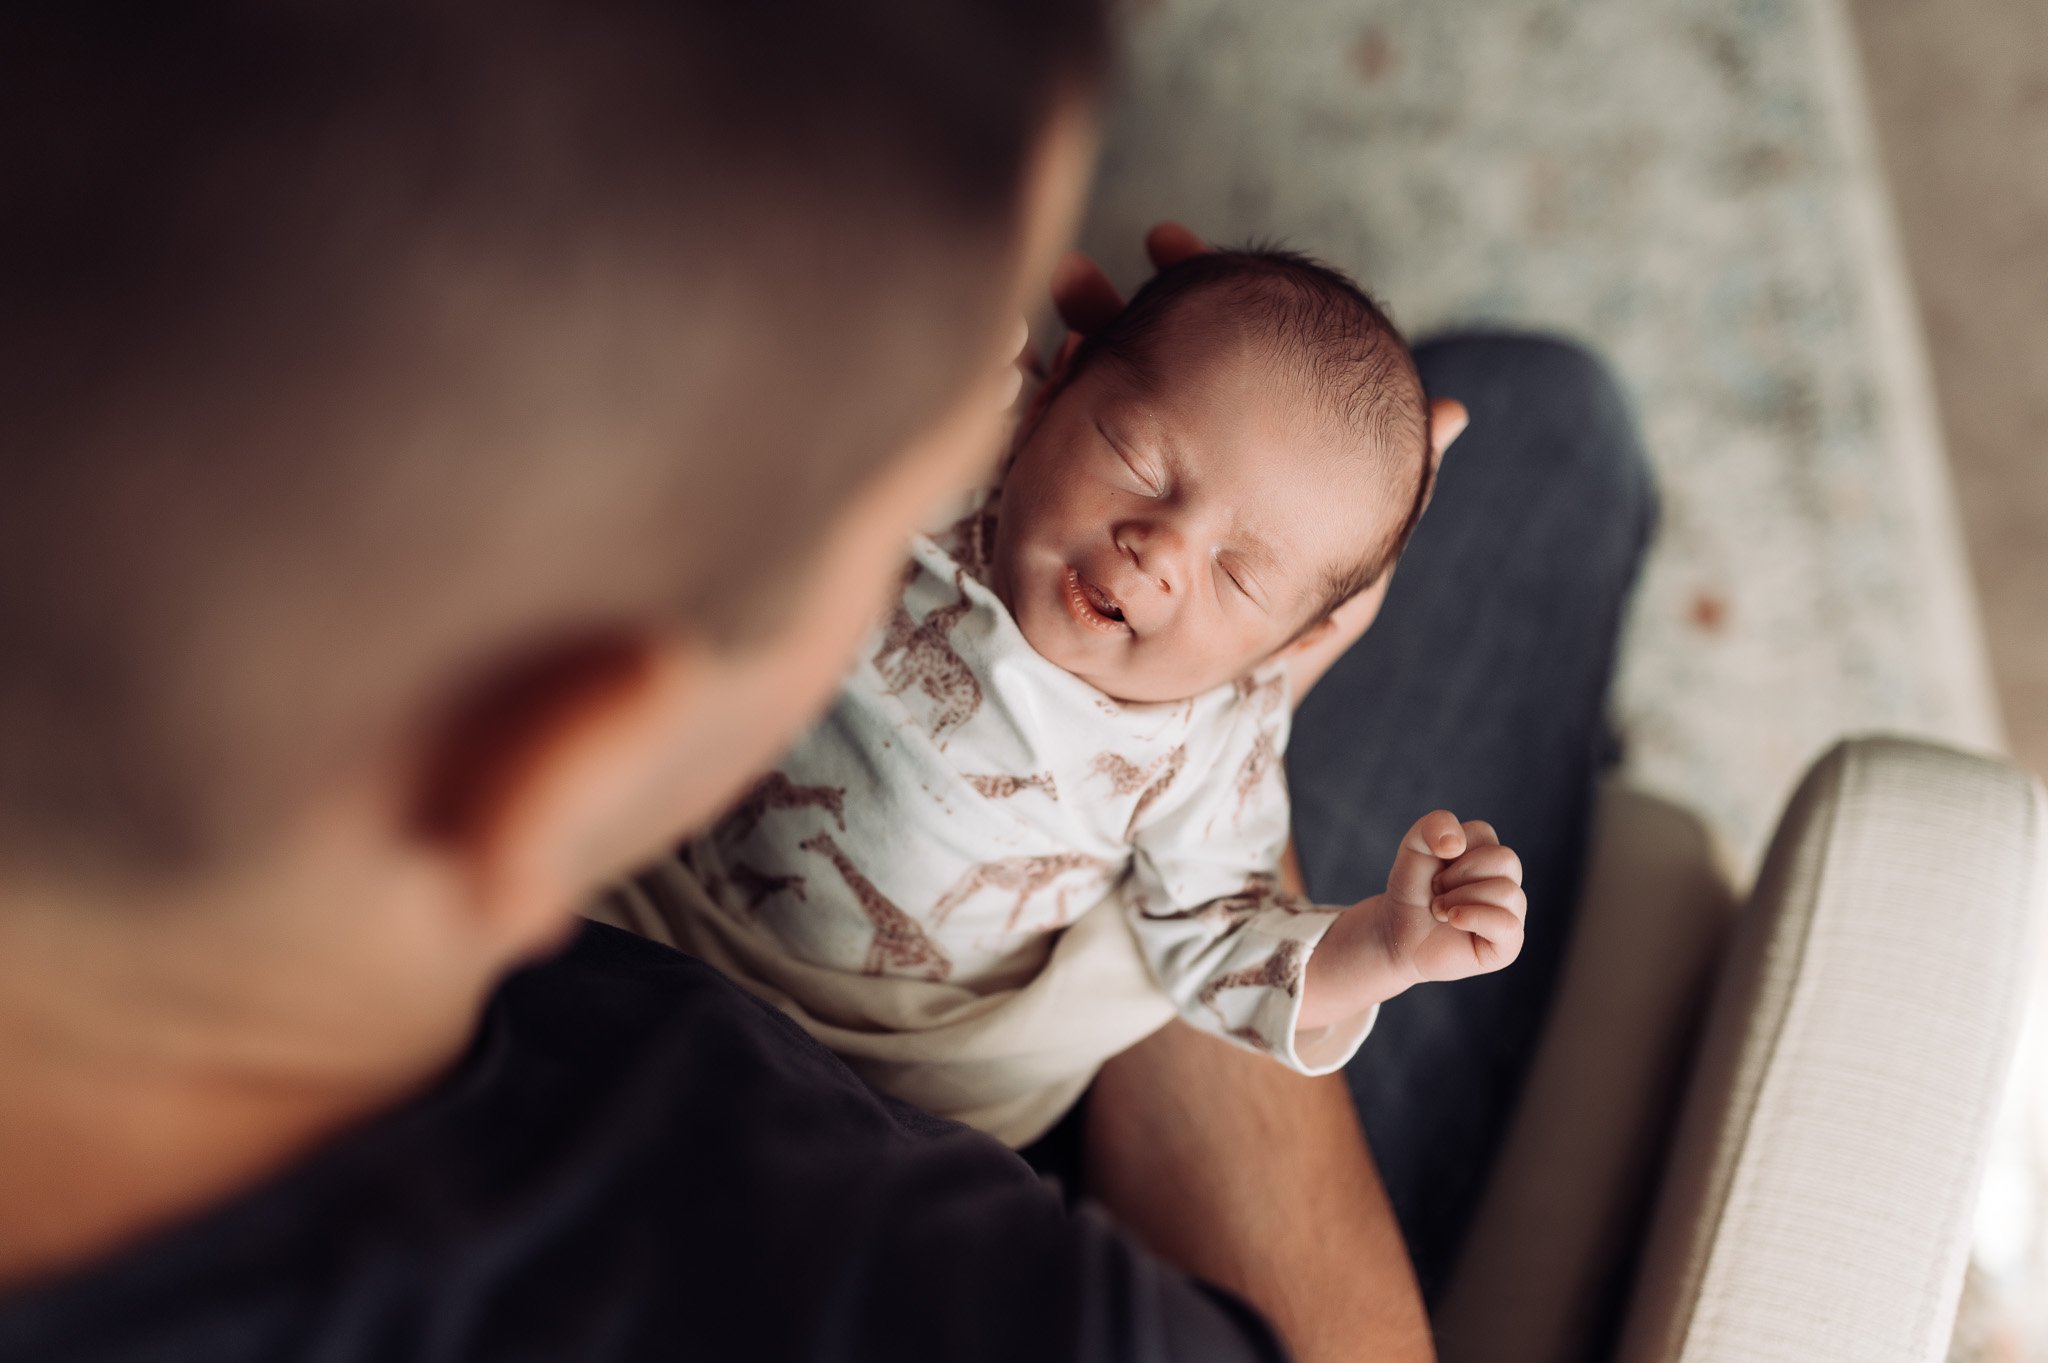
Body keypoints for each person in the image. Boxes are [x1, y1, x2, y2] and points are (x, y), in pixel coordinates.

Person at [0, 4, 1424, 1360]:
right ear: (565, 758)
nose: (1019, 406)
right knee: (1556, 433)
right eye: (938, 440)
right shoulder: (963, 1302)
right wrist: (1222, 700)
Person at [602, 246, 1530, 1147]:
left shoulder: (1210, 745)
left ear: (1294, 644)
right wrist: (913, 367)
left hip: (889, 1062)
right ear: (1057, 388)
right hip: (659, 876)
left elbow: (1223, 948)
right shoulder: (962, 462)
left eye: (1238, 578)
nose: (1160, 551)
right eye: (1140, 459)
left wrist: (1387, 950)